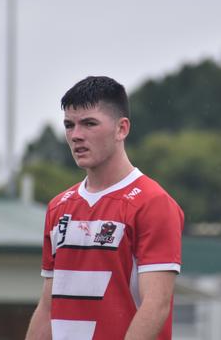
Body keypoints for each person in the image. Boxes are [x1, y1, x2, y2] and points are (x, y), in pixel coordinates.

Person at [25, 76, 184, 340]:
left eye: (89, 123)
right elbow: (48, 306)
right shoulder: (58, 207)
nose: (76, 135)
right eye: (69, 125)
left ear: (122, 129)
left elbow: (156, 305)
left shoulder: (153, 203)